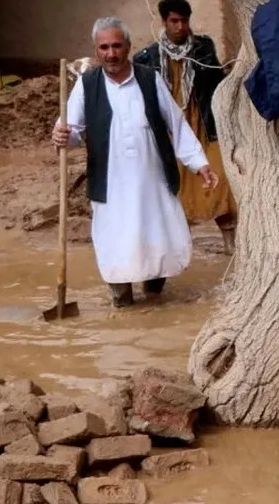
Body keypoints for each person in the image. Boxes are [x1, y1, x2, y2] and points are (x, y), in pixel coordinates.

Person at [52, 17, 219, 308]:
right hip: (110, 182)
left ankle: (155, 296)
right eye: (104, 47)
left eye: (117, 46)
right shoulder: (86, 86)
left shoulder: (149, 78)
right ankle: (122, 300)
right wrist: (62, 136)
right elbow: (71, 132)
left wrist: (199, 163)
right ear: (96, 51)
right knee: (115, 241)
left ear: (128, 47)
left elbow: (176, 124)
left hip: (151, 180)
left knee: (156, 238)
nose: (111, 53)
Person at [133, 0, 238, 255]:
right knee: (172, 187)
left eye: (184, 21)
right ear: (164, 22)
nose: (180, 26)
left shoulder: (203, 49)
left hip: (202, 125)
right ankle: (179, 248)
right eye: (174, 21)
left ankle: (229, 242)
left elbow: (215, 83)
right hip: (167, 132)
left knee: (219, 180)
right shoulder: (146, 57)